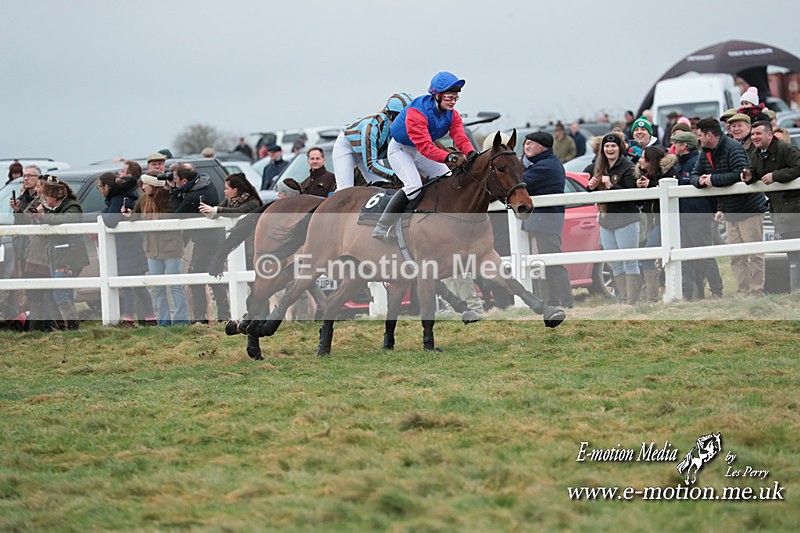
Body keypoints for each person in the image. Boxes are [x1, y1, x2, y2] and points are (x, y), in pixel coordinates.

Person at [372, 71, 475, 241]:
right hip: (400, 150)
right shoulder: (417, 112)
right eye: (449, 97)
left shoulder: (453, 114)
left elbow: (460, 136)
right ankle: (381, 227)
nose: (453, 101)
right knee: (413, 186)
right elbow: (426, 147)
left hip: (419, 150)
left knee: (447, 179)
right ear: (436, 95)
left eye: (455, 97)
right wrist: (449, 157)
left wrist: (471, 153)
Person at [691, 117, 767, 297]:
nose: (699, 139)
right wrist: (701, 182)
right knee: (736, 255)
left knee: (754, 253)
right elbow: (694, 174)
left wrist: (712, 180)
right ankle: (742, 291)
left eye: (700, 135)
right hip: (730, 210)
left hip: (749, 209)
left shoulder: (733, 148)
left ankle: (757, 291)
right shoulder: (706, 152)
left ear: (709, 135)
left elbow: (741, 174)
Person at [125, 174, 189, 326]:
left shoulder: (169, 197)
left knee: (175, 285)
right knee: (158, 287)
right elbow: (136, 216)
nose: (143, 187)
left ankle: (181, 321)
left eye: (146, 184)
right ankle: (164, 321)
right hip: (151, 249)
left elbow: (176, 215)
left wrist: (155, 218)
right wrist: (129, 215)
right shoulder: (143, 199)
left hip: (171, 247)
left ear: (153, 184)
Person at [586, 132, 640, 304]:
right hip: (606, 220)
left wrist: (611, 186)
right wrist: (591, 187)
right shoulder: (599, 167)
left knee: (629, 261)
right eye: (607, 146)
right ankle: (621, 300)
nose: (609, 149)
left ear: (620, 148)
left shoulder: (628, 167)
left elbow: (631, 193)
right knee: (614, 263)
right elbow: (592, 192)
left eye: (613, 146)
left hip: (625, 220)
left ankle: (632, 301)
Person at [520, 131, 573, 308]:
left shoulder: (547, 166)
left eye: (530, 143)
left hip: (546, 221)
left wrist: (518, 166)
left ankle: (565, 301)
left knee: (553, 262)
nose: (526, 146)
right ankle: (552, 300)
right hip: (540, 221)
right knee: (544, 264)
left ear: (541, 147)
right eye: (525, 143)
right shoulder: (542, 163)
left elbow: (522, 180)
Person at [172, 163, 230, 323]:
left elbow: (176, 214)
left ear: (184, 181)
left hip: (206, 240)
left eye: (176, 178)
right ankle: (224, 315)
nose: (173, 181)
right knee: (214, 274)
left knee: (196, 277)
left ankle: (200, 317)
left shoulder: (192, 196)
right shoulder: (207, 183)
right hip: (214, 238)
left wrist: (174, 192)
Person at [30, 177, 90, 330]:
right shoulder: (53, 208)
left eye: (46, 196)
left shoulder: (73, 207)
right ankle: (69, 325)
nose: (43, 199)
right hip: (55, 256)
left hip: (69, 257)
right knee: (64, 292)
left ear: (55, 197)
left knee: (59, 293)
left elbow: (66, 220)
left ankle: (70, 325)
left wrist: (44, 216)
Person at [747, 120, 800, 291]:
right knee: (790, 252)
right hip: (779, 210)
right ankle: (794, 289)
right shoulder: (756, 153)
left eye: (758, 134)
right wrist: (749, 176)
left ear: (769, 135)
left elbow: (798, 167)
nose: (754, 137)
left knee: (795, 251)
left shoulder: (786, 149)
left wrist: (776, 176)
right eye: (753, 134)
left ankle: (796, 289)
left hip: (794, 208)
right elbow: (757, 171)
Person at [98, 172, 156, 327]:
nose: (99, 189)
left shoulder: (117, 199)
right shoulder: (122, 196)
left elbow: (111, 220)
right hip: (131, 246)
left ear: (107, 186)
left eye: (100, 186)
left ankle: (130, 319)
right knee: (135, 285)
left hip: (128, 248)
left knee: (129, 284)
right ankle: (148, 317)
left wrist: (102, 212)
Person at [671, 131, 723, 300]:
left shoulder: (696, 161)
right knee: (686, 256)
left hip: (697, 215)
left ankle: (716, 290)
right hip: (685, 215)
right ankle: (689, 293)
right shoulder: (680, 163)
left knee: (704, 254)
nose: (674, 147)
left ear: (684, 146)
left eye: (676, 143)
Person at [332, 92, 413, 190]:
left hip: (369, 151)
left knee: (383, 187)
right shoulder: (373, 127)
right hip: (347, 147)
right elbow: (371, 165)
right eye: (402, 116)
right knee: (345, 189)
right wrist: (395, 176)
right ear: (390, 115)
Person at [635, 146, 679, 302]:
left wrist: (651, 186)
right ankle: (655, 295)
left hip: (666, 222)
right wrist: (640, 188)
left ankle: (654, 297)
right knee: (652, 257)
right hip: (652, 224)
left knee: (648, 256)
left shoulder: (668, 173)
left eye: (643, 157)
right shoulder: (643, 176)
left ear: (651, 160)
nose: (639, 160)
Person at [199, 172, 262, 270]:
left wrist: (215, 210)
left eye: (227, 188)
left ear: (235, 190)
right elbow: (221, 209)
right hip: (236, 240)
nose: (224, 191)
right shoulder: (229, 200)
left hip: (250, 241)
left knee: (250, 269)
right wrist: (210, 213)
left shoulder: (253, 203)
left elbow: (238, 211)